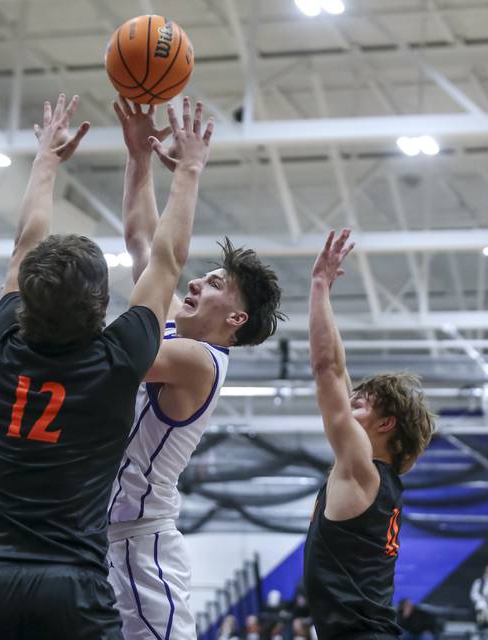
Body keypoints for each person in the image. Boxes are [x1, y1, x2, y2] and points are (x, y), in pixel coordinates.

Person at [0, 94, 214, 639]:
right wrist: (188, 169)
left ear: (26, 302)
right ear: (101, 307)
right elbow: (167, 257)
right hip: (72, 586)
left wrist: (46, 160)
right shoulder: (119, 360)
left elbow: (25, 243)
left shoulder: (3, 347)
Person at [106, 95, 285, 640]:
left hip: (140, 545)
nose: (194, 284)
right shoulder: (164, 332)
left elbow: (164, 262)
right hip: (96, 536)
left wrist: (189, 171)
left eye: (213, 283)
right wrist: (139, 157)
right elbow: (143, 241)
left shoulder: (199, 362)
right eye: (202, 276)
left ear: (235, 317)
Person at [303, 229, 436, 640]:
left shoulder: (362, 471)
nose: (349, 402)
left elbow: (328, 369)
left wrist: (320, 286)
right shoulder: (381, 482)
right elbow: (338, 376)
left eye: (360, 403)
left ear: (385, 424)